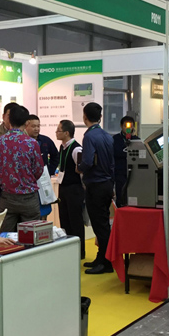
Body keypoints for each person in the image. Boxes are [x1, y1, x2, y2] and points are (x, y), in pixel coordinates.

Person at [0, 104, 45, 232]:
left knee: (5, 237)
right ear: (26, 122)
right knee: (31, 237)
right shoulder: (32, 143)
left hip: (7, 197)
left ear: (9, 120)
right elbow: (39, 170)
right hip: (28, 197)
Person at [78, 102, 115, 275]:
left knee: (100, 225)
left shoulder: (89, 137)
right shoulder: (107, 136)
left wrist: (79, 168)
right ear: (100, 117)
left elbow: (86, 161)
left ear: (84, 117)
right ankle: (102, 257)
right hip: (107, 183)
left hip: (95, 184)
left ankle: (106, 262)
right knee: (103, 223)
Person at [55, 119, 85, 260]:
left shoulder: (76, 149)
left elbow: (82, 173)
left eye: (58, 130)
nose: (56, 132)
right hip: (63, 188)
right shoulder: (62, 147)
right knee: (64, 220)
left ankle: (80, 251)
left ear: (66, 133)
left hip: (74, 189)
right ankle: (68, 249)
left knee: (75, 221)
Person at [112, 116, 139, 206]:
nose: (128, 129)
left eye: (130, 126)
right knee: (121, 194)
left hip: (134, 172)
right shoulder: (115, 139)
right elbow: (115, 153)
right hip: (120, 172)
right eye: (125, 126)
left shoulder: (136, 140)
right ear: (121, 126)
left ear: (133, 126)